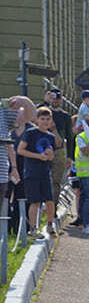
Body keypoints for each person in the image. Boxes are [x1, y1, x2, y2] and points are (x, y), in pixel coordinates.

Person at [15, 106, 59, 238]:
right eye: (42, 119)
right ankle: (33, 229)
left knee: (50, 201)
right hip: (31, 172)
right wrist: (38, 156)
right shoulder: (30, 133)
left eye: (47, 119)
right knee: (35, 202)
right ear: (37, 120)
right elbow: (20, 150)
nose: (45, 121)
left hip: (45, 172)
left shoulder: (50, 136)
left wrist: (50, 155)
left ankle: (50, 225)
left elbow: (51, 156)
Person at [38, 87, 72, 198]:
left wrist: (70, 157)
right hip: (42, 149)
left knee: (56, 181)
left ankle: (53, 205)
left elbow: (70, 137)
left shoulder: (65, 116)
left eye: (57, 98)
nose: (55, 101)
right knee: (42, 178)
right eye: (53, 98)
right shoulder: (43, 112)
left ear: (61, 99)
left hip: (58, 150)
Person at [6, 97, 31, 234]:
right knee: (6, 196)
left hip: (25, 166)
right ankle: (7, 227)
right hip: (9, 166)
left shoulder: (30, 130)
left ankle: (20, 229)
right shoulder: (8, 130)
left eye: (20, 112)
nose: (18, 115)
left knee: (21, 197)